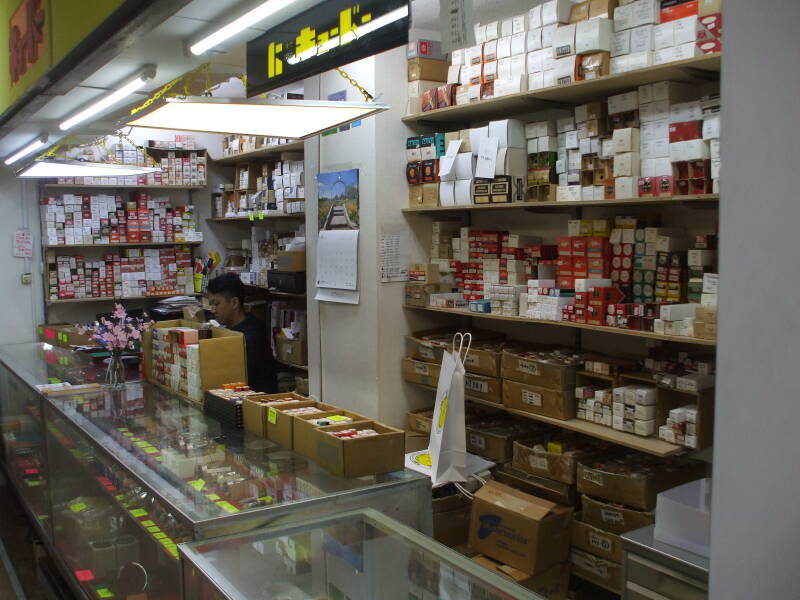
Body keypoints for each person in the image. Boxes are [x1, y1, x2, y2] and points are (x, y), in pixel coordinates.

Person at [206, 273, 278, 393]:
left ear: (234, 302)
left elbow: (234, 374)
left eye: (216, 304)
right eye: (211, 304)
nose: (213, 310)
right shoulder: (230, 328)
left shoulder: (251, 336)